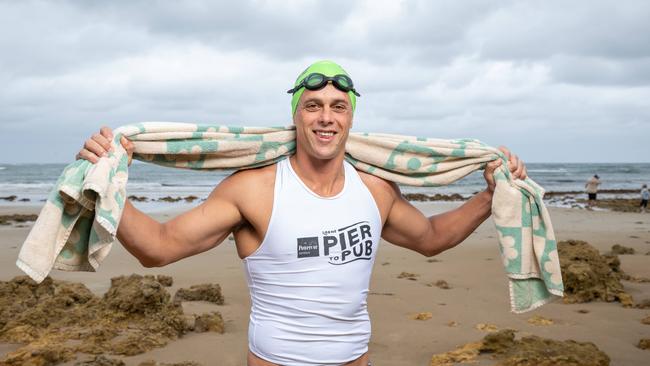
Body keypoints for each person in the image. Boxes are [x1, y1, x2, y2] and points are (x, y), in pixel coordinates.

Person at [76, 60, 527, 366]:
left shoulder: (375, 189)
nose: (326, 117)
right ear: (297, 116)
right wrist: (105, 187)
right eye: (313, 106)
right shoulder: (253, 189)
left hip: (356, 358)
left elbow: (430, 237)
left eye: (338, 107)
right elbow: (159, 248)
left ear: (351, 120)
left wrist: (490, 197)